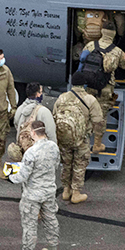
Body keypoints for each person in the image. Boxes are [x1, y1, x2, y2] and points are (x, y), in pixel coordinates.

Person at [80, 22, 125, 153]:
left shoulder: (90, 45)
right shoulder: (117, 51)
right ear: (113, 35)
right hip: (105, 89)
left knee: (86, 113)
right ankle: (97, 144)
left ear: (102, 32)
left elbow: (82, 59)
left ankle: (82, 141)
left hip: (88, 86)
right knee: (101, 117)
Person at [8, 120, 61, 250]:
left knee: (30, 225)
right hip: (49, 191)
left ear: (32, 133)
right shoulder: (53, 147)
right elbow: (56, 165)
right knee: (51, 220)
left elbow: (22, 176)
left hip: (33, 194)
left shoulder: (31, 152)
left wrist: (9, 177)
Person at [53, 71, 103, 204]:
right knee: (80, 164)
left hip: (64, 138)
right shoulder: (90, 99)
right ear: (84, 84)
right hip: (81, 139)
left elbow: (54, 115)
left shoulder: (62, 98)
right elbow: (98, 120)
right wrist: (95, 135)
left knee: (66, 164)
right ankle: (76, 193)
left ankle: (65, 190)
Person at [9, 83, 56, 161]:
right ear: (37, 95)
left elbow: (16, 125)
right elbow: (51, 133)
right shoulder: (43, 111)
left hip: (24, 151)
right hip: (40, 154)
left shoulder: (20, 109)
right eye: (41, 92)